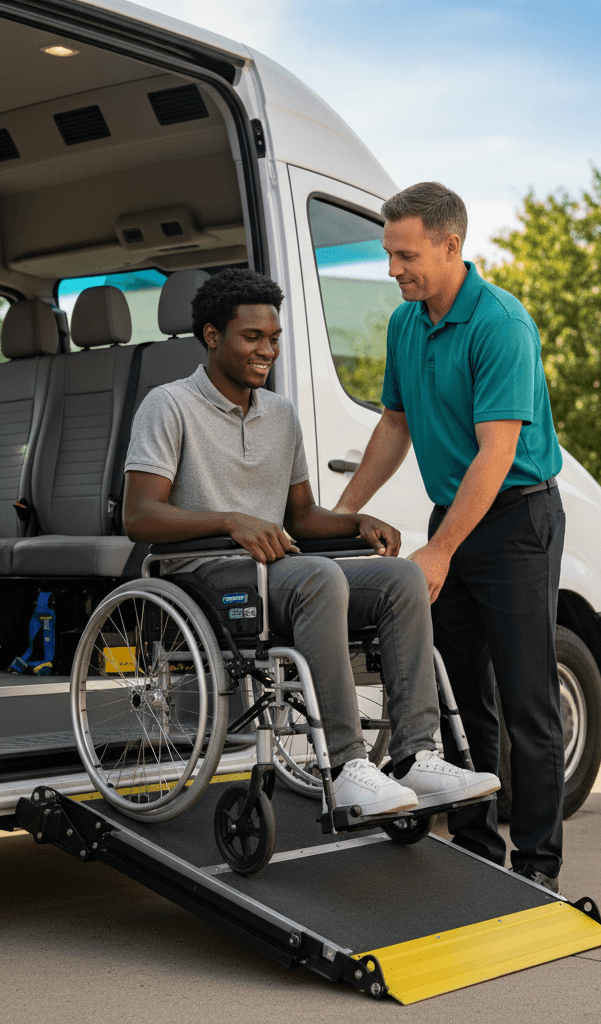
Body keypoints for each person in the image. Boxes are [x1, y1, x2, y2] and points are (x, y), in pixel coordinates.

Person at [121, 267, 498, 818]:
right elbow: (140, 516)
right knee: (319, 576)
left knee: (402, 576)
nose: (267, 349)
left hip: (279, 570)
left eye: (273, 338)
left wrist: (356, 522)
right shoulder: (168, 405)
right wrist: (230, 520)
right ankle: (346, 766)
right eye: (252, 337)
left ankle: (415, 753)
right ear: (211, 337)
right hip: (204, 575)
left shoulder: (280, 414)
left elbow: (300, 516)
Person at [333, 183, 566, 892]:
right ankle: (473, 847)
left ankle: (536, 865)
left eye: (406, 254)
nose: (394, 268)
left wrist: (440, 551)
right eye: (388, 254)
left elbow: (496, 454)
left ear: (450, 246)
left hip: (517, 519)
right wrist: (339, 518)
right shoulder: (407, 324)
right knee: (465, 699)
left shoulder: (500, 324)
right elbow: (393, 427)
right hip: (456, 519)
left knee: (527, 699)